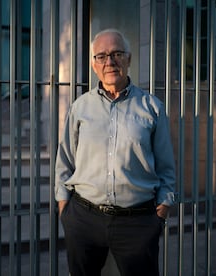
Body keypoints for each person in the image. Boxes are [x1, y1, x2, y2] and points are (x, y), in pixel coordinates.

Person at [55, 28, 176, 276]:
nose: (110, 61)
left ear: (129, 59)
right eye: (101, 56)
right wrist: (64, 209)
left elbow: (166, 166)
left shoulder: (152, 107)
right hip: (83, 218)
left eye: (117, 53)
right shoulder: (80, 107)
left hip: (138, 223)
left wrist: (161, 213)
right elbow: (64, 159)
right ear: (93, 64)